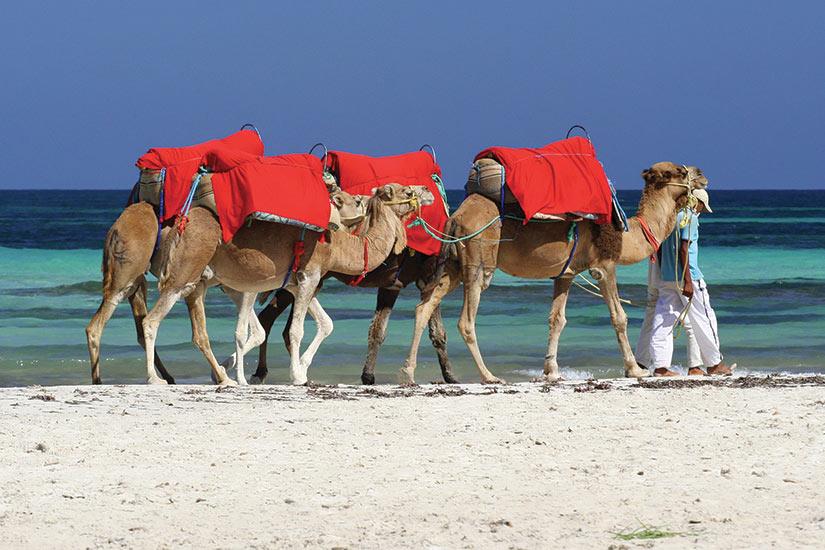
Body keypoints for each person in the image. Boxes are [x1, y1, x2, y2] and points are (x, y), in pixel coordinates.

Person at [648, 189, 733, 376]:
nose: (701, 212)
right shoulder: (689, 217)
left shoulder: (668, 217)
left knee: (663, 320)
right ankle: (714, 364)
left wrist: (665, 272)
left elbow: (659, 248)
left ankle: (661, 367)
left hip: (668, 277)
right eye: (702, 208)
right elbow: (684, 249)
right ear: (697, 203)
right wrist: (687, 281)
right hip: (690, 277)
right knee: (705, 318)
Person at [635, 258, 703, 373]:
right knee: (691, 316)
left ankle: (640, 364)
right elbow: (682, 246)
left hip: (656, 265)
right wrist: (688, 280)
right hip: (672, 269)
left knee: (653, 314)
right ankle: (694, 366)